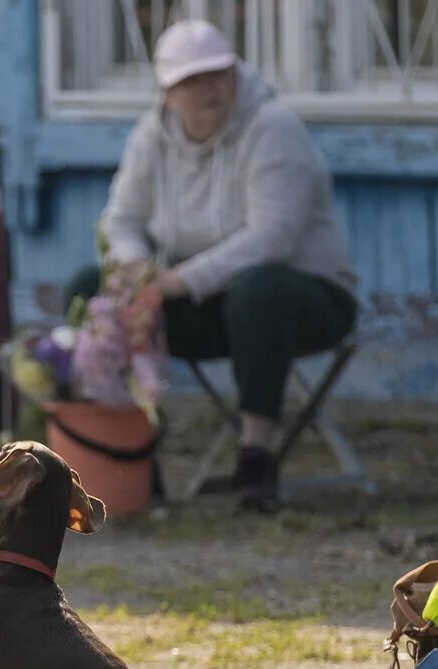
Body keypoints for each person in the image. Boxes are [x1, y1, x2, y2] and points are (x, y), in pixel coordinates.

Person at [98, 18, 358, 511]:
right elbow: (120, 221)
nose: (209, 88)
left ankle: (256, 456)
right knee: (94, 288)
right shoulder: (151, 137)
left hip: (305, 300)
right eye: (191, 80)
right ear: (168, 91)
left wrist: (177, 280)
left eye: (218, 73)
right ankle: (129, 455)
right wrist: (135, 271)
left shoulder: (273, 128)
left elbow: (272, 238)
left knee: (259, 290)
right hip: (203, 303)